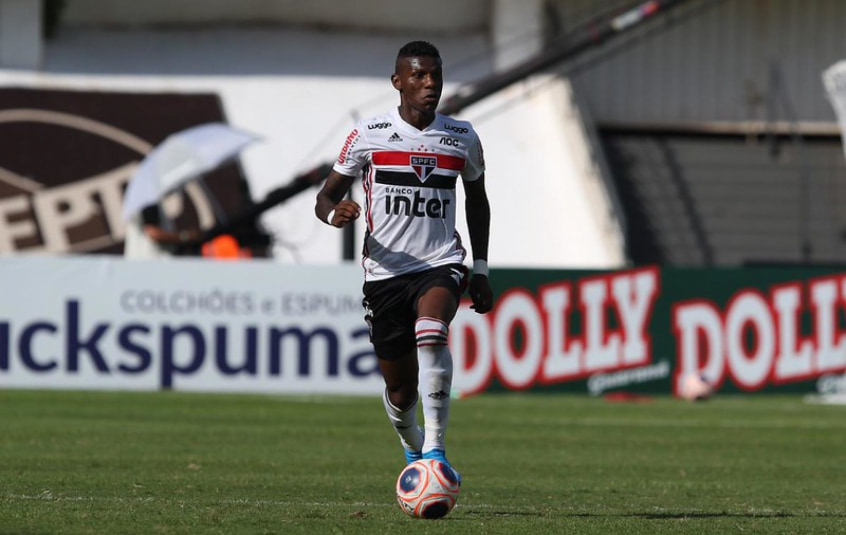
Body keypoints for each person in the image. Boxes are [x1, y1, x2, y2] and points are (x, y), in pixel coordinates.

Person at [314, 40, 493, 478]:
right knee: (399, 390)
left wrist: (482, 269)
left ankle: (435, 450)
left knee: (432, 332)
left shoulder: (462, 136)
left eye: (436, 74)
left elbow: (478, 202)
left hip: (440, 262)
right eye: (419, 75)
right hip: (384, 273)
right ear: (398, 82)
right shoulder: (367, 134)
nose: (430, 83)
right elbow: (326, 195)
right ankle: (412, 444)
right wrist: (334, 214)